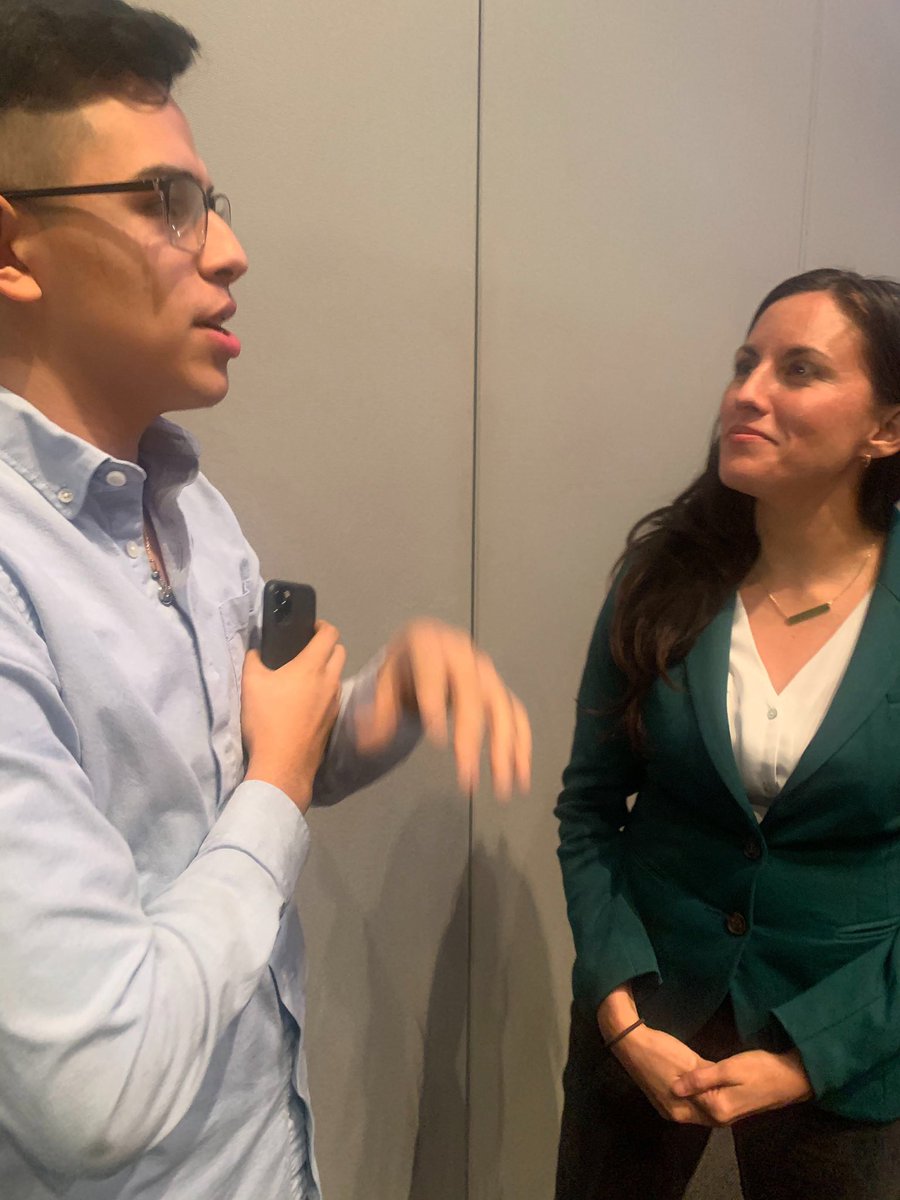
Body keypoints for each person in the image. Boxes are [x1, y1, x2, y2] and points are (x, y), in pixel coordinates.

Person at [0, 3, 531, 1197]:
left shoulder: (188, 505)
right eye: (163, 204)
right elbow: (98, 1090)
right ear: (13, 249)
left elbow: (249, 765)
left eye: (211, 203)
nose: (228, 252)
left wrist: (377, 703)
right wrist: (285, 778)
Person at [555, 267, 900, 1200]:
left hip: (847, 1047)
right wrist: (620, 1013)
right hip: (644, 1024)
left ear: (887, 429)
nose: (746, 392)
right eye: (745, 362)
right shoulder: (661, 577)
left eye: (799, 370)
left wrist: (809, 1059)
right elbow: (589, 810)